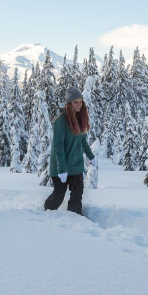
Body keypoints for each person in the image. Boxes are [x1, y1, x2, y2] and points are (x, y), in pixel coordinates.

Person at [44, 87, 95, 215]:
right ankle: (45, 214)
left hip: (76, 165)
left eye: (80, 101)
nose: (79, 105)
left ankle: (75, 220)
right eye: (75, 102)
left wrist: (91, 156)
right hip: (61, 166)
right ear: (69, 104)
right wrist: (62, 170)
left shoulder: (80, 119)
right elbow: (58, 147)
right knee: (58, 196)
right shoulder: (61, 121)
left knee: (77, 196)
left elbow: (83, 141)